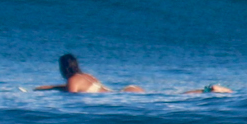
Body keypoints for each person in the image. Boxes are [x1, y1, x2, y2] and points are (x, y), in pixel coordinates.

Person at [34, 53, 229, 94]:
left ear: (63, 68)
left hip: (124, 96)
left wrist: (50, 90)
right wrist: (51, 87)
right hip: (127, 91)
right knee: (172, 97)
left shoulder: (72, 81)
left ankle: (209, 90)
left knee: (172, 98)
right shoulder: (86, 76)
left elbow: (72, 93)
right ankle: (206, 90)